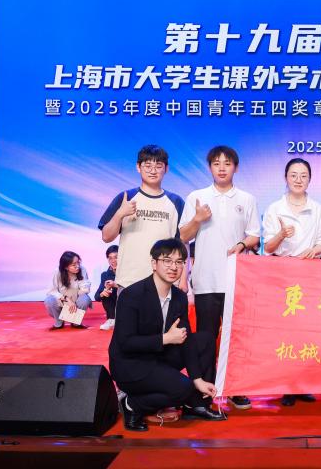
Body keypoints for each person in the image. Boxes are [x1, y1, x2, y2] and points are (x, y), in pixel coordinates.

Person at [109, 238, 224, 432]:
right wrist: (166, 339)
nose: (174, 267)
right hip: (132, 364)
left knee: (204, 340)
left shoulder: (179, 297)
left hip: (159, 356)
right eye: (167, 261)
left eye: (179, 262)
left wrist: (197, 379)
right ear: (154, 263)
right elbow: (126, 343)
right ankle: (132, 404)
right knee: (183, 388)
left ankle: (196, 405)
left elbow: (185, 338)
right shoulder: (132, 295)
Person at [179, 145, 260, 411]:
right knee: (206, 336)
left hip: (237, 280)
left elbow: (254, 235)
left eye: (227, 163)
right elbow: (183, 236)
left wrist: (241, 244)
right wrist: (198, 219)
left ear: (235, 167)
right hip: (206, 279)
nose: (222, 168)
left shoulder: (246, 199)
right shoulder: (197, 197)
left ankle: (236, 388)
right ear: (210, 167)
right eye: (216, 163)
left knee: (237, 336)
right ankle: (207, 389)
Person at [263, 158, 321, 406]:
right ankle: (286, 385)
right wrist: (282, 234)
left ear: (309, 179)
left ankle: (303, 383)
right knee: (286, 332)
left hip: (310, 274)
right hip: (283, 275)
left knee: (307, 331)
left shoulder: (318, 208)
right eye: (293, 175)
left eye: (303, 175)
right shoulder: (274, 208)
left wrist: (317, 248)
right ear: (286, 178)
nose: (298, 180)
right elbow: (268, 248)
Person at [98, 145, 185, 291]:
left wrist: (183, 280)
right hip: (129, 281)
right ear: (138, 167)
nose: (153, 171)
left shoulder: (176, 202)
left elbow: (183, 243)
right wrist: (120, 214)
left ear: (166, 169)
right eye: (148, 165)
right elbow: (106, 237)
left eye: (158, 166)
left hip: (164, 281)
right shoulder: (126, 197)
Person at [44, 251, 91, 330]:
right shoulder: (58, 271)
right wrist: (67, 299)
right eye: (74, 265)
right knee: (49, 300)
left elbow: (85, 288)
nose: (77, 266)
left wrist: (74, 300)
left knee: (85, 299)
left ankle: (75, 322)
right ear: (66, 267)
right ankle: (59, 322)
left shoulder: (82, 269)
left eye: (78, 263)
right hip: (62, 300)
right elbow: (52, 290)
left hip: (76, 299)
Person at [95, 245, 119, 330]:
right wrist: (103, 293)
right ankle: (111, 320)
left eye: (116, 257)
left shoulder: (129, 272)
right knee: (106, 293)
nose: (113, 261)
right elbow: (97, 297)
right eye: (110, 258)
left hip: (128, 302)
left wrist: (116, 285)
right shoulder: (105, 275)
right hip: (114, 304)